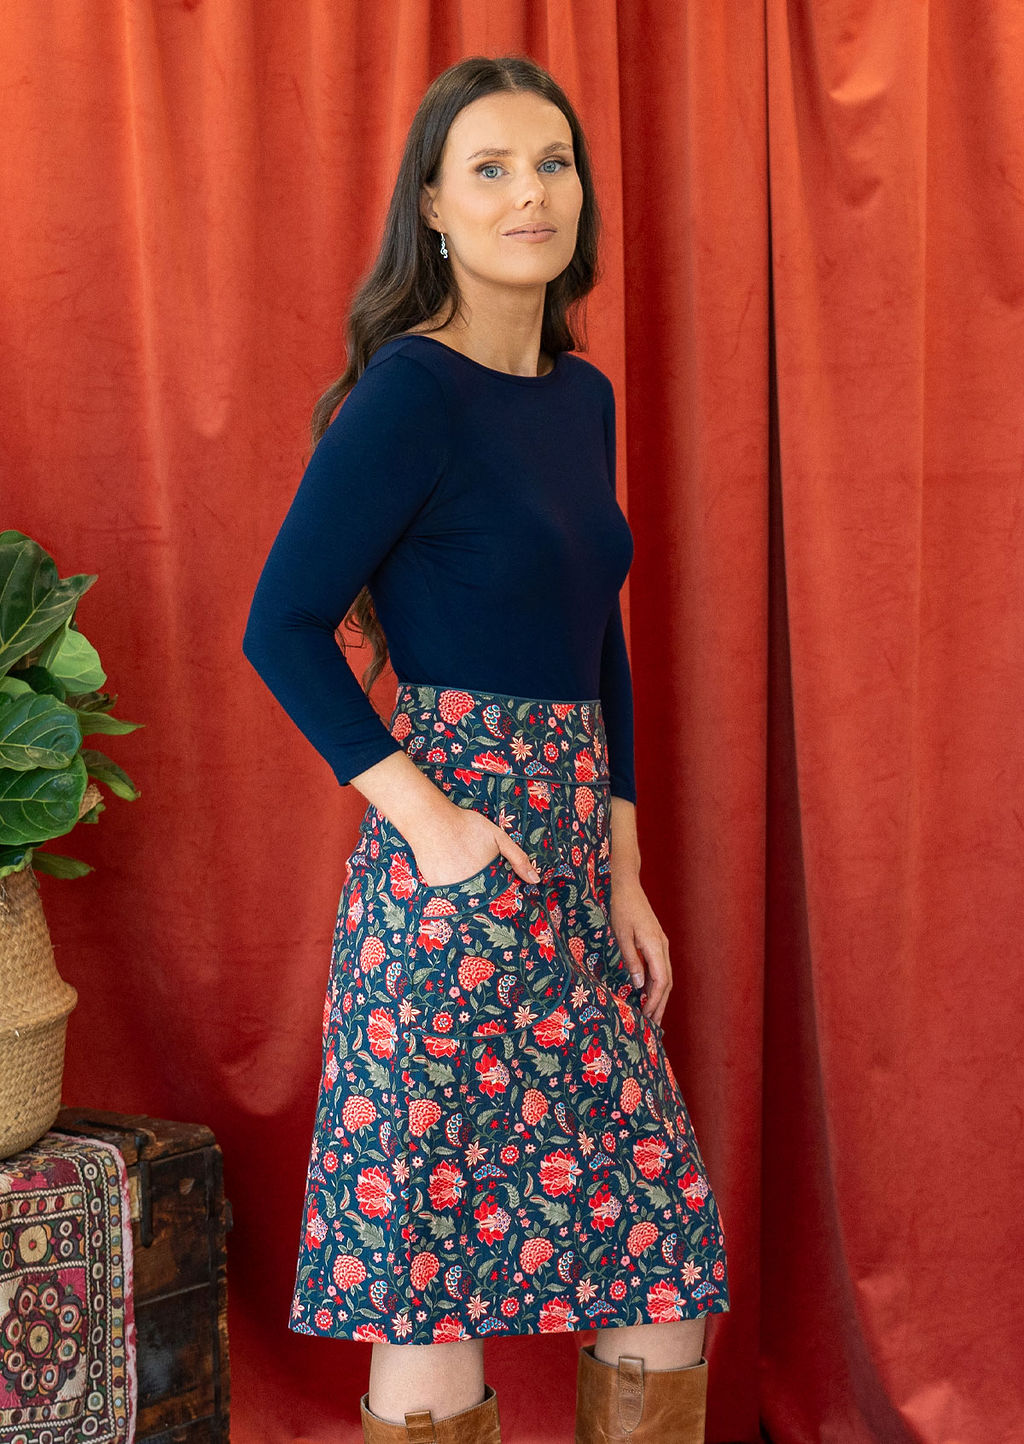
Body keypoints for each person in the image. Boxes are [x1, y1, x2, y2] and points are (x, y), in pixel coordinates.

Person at [242, 53, 730, 1444]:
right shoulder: (412, 394)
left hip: (572, 868)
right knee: (430, 1289)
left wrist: (623, 871)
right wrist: (430, 824)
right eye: (495, 169)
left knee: (658, 1257)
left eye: (555, 163)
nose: (535, 193)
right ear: (437, 212)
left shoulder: (581, 398)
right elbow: (280, 625)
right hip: (449, 887)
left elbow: (599, 639)